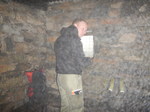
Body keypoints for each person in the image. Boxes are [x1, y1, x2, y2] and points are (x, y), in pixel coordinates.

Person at [54, 18, 92, 112]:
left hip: (61, 77)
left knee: (65, 105)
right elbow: (81, 61)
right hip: (72, 80)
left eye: (86, 30)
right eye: (83, 28)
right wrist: (90, 60)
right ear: (75, 26)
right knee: (77, 105)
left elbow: (67, 57)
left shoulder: (60, 39)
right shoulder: (75, 39)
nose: (84, 32)